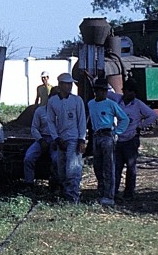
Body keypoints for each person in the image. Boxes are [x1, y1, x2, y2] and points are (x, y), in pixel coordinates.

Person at [45, 72, 87, 203]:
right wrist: (56, 138)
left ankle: (73, 197)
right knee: (62, 169)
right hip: (61, 139)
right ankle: (65, 194)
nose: (69, 86)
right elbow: (50, 121)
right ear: (60, 85)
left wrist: (82, 139)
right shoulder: (53, 101)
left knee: (73, 169)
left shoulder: (77, 100)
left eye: (70, 84)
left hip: (74, 138)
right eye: (67, 84)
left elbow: (82, 120)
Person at [87, 78, 129, 207]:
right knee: (97, 166)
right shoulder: (91, 104)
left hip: (107, 135)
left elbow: (124, 119)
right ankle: (101, 191)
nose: (101, 93)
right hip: (96, 135)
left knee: (108, 166)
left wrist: (116, 132)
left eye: (104, 91)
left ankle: (109, 195)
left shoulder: (111, 104)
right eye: (99, 90)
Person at [113, 83, 158, 202]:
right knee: (116, 167)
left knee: (131, 167)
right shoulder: (117, 100)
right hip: (117, 139)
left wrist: (141, 126)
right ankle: (114, 192)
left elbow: (153, 115)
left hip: (131, 139)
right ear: (124, 91)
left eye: (134, 91)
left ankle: (129, 193)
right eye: (129, 91)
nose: (132, 94)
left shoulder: (138, 104)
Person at [22, 90, 55, 190]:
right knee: (28, 158)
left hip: (55, 140)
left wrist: (57, 140)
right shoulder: (40, 111)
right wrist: (40, 140)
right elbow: (34, 128)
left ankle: (56, 184)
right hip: (42, 138)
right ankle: (29, 183)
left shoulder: (62, 113)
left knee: (57, 159)